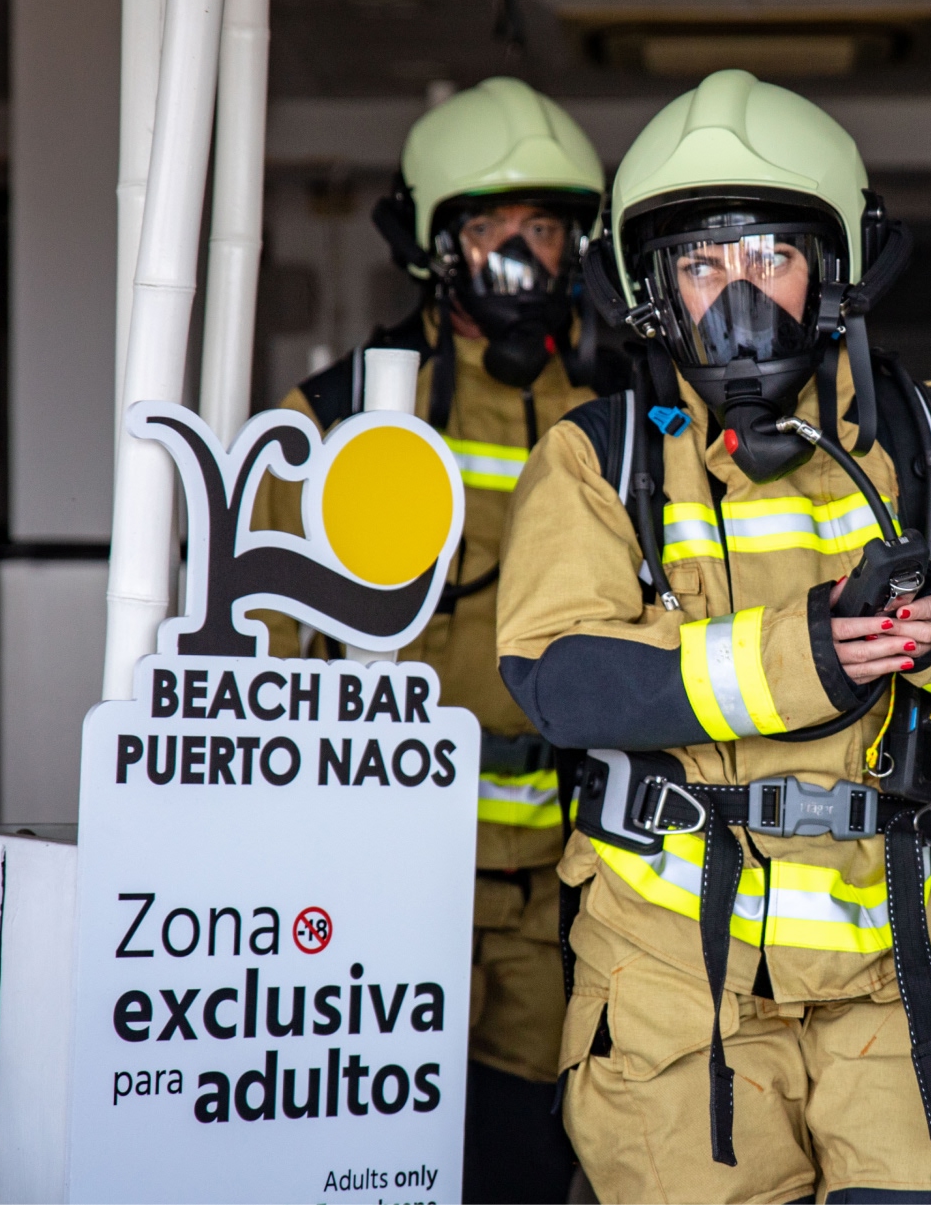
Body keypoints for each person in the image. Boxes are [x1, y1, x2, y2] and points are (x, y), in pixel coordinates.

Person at [497, 68, 931, 1203]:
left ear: (833, 273)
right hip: (678, 1000)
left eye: (768, 257)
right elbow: (559, 678)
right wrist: (806, 657)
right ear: (653, 291)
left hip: (904, 980)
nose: (735, 298)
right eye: (700, 263)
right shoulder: (598, 458)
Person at [249, 76, 606, 1204]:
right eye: (490, 227)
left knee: (528, 1161)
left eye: (543, 229)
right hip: (388, 871)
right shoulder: (344, 419)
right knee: (374, 1160)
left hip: (566, 880)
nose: (520, 253)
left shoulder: (622, 422)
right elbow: (272, 654)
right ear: (434, 245)